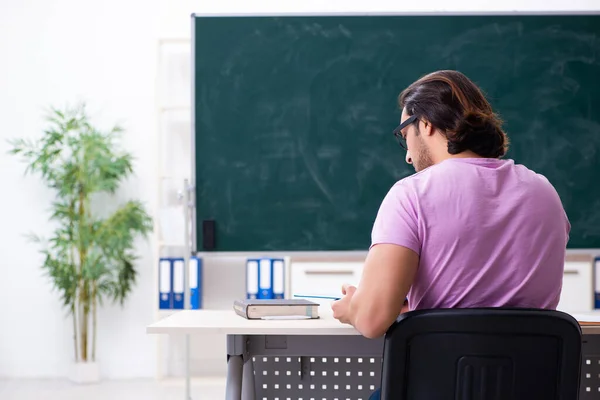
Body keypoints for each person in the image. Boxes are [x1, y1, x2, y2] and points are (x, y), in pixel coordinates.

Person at [330, 70, 570, 400]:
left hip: (437, 388)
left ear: (425, 123)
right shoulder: (545, 193)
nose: (408, 155)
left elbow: (372, 321)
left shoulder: (411, 194)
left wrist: (352, 307)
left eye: (404, 136)